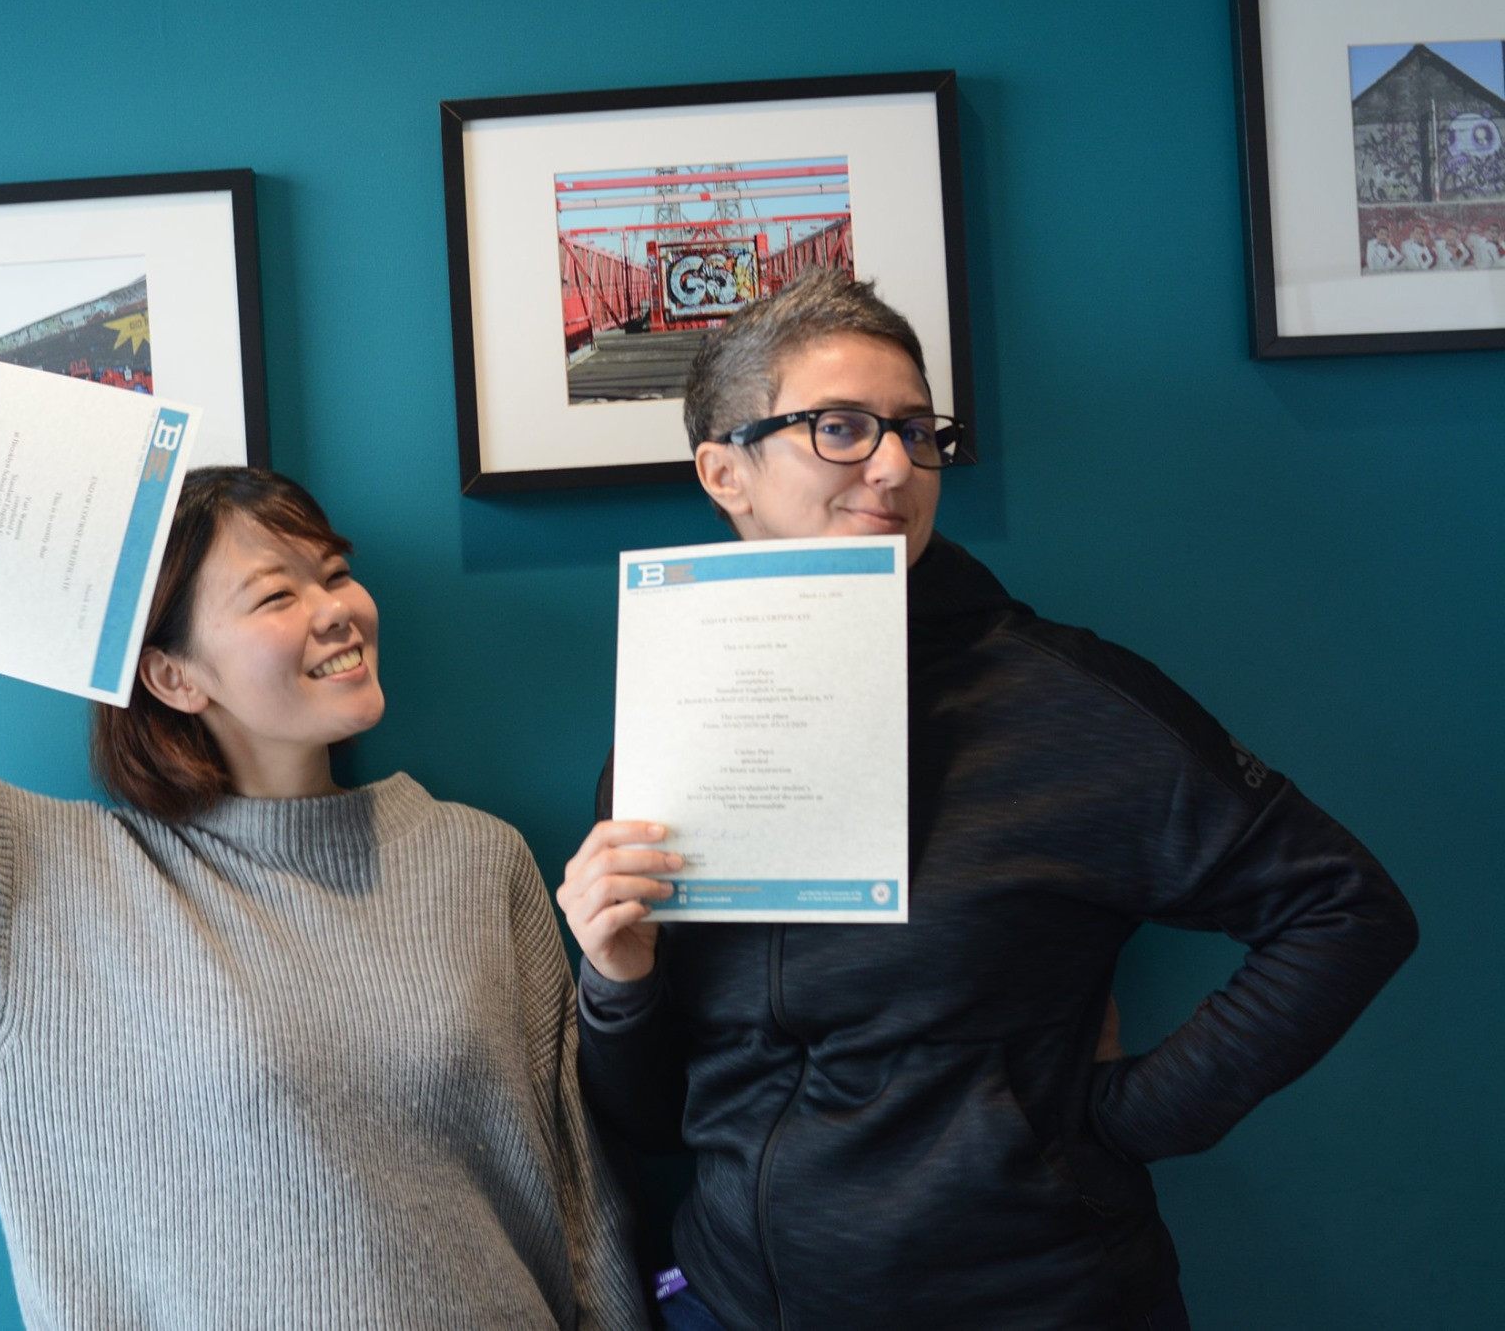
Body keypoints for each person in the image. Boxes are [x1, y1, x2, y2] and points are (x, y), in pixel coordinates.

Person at [556, 269, 1418, 1330]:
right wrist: (618, 979)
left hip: (1034, 1299)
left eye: (916, 432)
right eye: (839, 427)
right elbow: (652, 1120)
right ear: (723, 470)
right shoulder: (671, 723)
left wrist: (1124, 1122)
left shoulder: (1063, 698)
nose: (893, 466)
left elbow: (1344, 909)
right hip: (734, 1302)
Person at [0, 407, 646, 1330]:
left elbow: (577, 1197)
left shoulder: (477, 858)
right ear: (173, 676)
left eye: (336, 574)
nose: (336, 610)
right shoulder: (50, 891)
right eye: (277, 594)